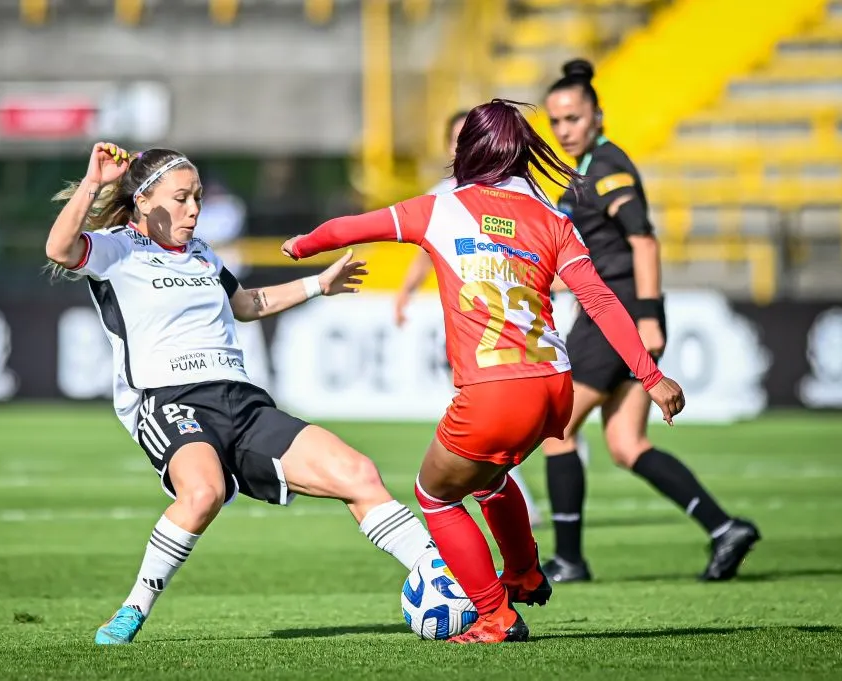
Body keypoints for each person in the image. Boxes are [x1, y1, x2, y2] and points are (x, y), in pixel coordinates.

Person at [282, 100, 686, 644]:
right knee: (489, 477)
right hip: (554, 388)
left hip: (496, 391)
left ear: (467, 151)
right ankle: (523, 571)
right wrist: (650, 375)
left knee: (436, 494)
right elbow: (600, 299)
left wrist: (302, 245)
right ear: (523, 153)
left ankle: (494, 615)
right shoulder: (553, 219)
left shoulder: (442, 208)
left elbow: (353, 226)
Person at [45, 143, 436, 645]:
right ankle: (132, 609)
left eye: (198, 197)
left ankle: (441, 577)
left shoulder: (203, 253)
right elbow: (60, 249)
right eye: (181, 197)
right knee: (202, 493)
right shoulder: (116, 249)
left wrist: (319, 284)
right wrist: (94, 183)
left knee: (359, 473)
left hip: (241, 401)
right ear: (143, 201)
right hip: (169, 401)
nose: (193, 209)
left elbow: (247, 304)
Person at [539, 59, 760, 583]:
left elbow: (643, 242)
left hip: (613, 317)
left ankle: (569, 558)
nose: (565, 129)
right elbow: (602, 253)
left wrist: (649, 317)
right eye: (557, 122)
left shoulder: (607, 168)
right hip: (613, 311)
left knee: (557, 429)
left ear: (597, 115)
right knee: (626, 445)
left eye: (573, 118)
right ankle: (724, 528)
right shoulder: (583, 171)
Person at [393, 110, 545, 529]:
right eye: (459, 138)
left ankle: (544, 482)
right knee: (490, 421)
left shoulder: (513, 190)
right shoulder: (444, 194)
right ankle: (520, 501)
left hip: (520, 319)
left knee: (507, 417)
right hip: (472, 326)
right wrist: (406, 291)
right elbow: (424, 247)